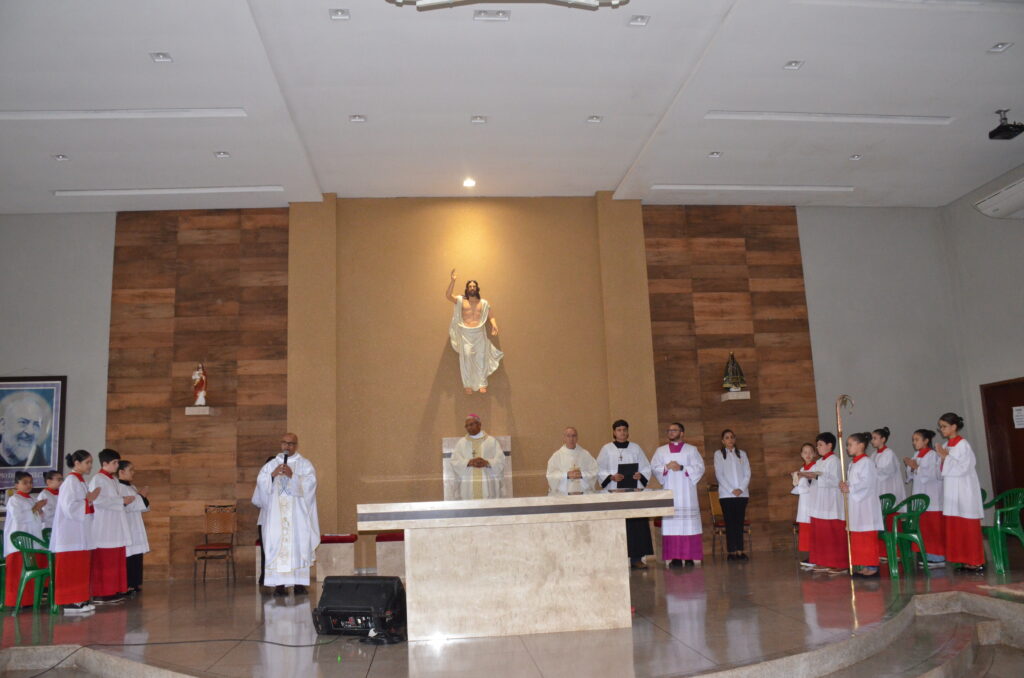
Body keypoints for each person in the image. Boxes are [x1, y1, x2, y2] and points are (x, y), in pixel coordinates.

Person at [256, 432, 320, 595]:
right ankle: (279, 585)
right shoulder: (271, 465)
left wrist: (294, 477)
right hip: (276, 516)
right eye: (284, 443)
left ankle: (299, 584)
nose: (287, 446)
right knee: (276, 544)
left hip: (296, 517)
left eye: (291, 444)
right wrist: (271, 475)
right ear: (281, 444)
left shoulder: (304, 464)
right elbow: (261, 486)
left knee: (297, 546)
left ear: (296, 446)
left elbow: (310, 485)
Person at [597, 419, 653, 569]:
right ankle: (616, 559)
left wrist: (640, 475)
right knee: (617, 524)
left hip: (633, 492)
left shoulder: (636, 448)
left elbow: (646, 467)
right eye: (619, 430)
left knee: (637, 525)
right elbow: (599, 468)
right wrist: (611, 477)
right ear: (614, 432)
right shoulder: (607, 449)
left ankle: (636, 559)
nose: (622, 432)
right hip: (614, 491)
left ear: (628, 432)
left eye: (624, 429)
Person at [51, 449, 100, 614]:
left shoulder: (80, 482)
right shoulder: (71, 482)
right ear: (76, 463)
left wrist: (89, 501)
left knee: (80, 566)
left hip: (80, 532)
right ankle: (69, 602)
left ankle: (80, 599)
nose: (90, 466)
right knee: (70, 568)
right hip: (69, 534)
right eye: (87, 462)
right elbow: (69, 507)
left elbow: (83, 505)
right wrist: (89, 501)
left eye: (91, 462)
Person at [935, 412, 985, 572]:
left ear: (954, 427)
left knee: (968, 527)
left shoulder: (963, 444)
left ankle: (976, 561)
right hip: (951, 492)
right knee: (957, 528)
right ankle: (963, 560)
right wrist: (943, 458)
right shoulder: (947, 446)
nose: (941, 430)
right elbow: (940, 472)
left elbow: (965, 467)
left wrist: (946, 458)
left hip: (965, 491)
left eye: (944, 426)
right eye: (940, 427)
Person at [652, 422, 705, 567]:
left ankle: (689, 557)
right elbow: (654, 468)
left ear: (682, 433)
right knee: (672, 524)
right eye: (669, 430)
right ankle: (674, 557)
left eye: (674, 430)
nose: (670, 432)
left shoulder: (691, 450)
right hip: (670, 491)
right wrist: (666, 467)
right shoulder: (661, 451)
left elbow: (700, 467)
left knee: (688, 524)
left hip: (687, 493)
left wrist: (682, 467)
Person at [445, 269, 503, 394]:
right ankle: (468, 385)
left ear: (477, 288)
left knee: (481, 358)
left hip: (479, 333)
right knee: (466, 357)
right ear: (467, 288)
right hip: (465, 334)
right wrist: (452, 281)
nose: (472, 288)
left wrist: (494, 325)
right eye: (470, 286)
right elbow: (448, 296)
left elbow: (491, 315)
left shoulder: (483, 303)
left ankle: (482, 383)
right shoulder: (461, 301)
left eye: (474, 286)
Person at [89, 448, 132, 603]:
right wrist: (121, 501)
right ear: (105, 463)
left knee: (115, 558)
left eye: (118, 462)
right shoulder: (98, 479)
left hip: (114, 524)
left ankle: (113, 589)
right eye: (114, 463)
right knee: (105, 559)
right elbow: (98, 501)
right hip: (104, 525)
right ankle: (102, 593)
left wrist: (123, 500)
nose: (117, 466)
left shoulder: (112, 480)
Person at [839, 433, 883, 577]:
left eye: (850, 444)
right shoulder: (853, 464)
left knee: (867, 536)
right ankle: (864, 565)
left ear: (861, 445)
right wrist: (846, 485)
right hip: (856, 506)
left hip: (866, 506)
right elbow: (855, 483)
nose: (847, 448)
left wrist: (850, 488)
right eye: (847, 445)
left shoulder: (867, 463)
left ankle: (872, 567)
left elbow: (868, 484)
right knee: (858, 536)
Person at [804, 433, 848, 574]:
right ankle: (824, 561)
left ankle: (839, 563)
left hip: (831, 502)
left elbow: (835, 481)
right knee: (822, 535)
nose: (818, 447)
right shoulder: (820, 462)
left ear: (830, 445)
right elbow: (814, 476)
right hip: (820, 502)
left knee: (833, 533)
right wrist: (809, 476)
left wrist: (817, 476)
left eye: (820, 445)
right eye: (817, 445)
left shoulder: (834, 460)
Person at [3, 471, 46, 607]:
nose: (28, 485)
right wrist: (35, 508)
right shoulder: (14, 499)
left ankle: (30, 600)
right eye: (25, 483)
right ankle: (15, 601)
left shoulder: (31, 499)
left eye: (30, 482)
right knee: (18, 572)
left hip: (32, 541)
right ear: (16, 485)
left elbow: (38, 518)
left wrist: (39, 511)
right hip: (19, 543)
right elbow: (19, 517)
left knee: (31, 572)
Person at [903, 428, 945, 566]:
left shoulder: (933, 455)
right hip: (920, 496)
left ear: (926, 441)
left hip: (932, 497)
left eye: (917, 440)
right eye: (913, 440)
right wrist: (911, 467)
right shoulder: (917, 454)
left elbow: (933, 475)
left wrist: (916, 467)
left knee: (933, 528)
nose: (914, 443)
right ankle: (927, 555)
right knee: (924, 528)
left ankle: (938, 557)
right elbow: (911, 476)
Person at [713, 429, 751, 561]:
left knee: (739, 523)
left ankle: (740, 550)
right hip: (726, 495)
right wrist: (731, 489)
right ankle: (731, 551)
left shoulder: (742, 454)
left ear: (735, 439)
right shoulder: (719, 454)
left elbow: (747, 473)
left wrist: (740, 488)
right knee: (730, 524)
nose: (730, 440)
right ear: (723, 441)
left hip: (742, 494)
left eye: (731, 437)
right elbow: (719, 474)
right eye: (727, 438)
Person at [449, 414, 506, 499]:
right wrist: (469, 462)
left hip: (488, 484)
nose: (469, 427)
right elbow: (454, 462)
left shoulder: (491, 441)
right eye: (467, 426)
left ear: (479, 424)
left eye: (471, 424)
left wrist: (487, 463)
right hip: (468, 485)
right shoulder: (461, 443)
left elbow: (501, 460)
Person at [117, 460, 150, 594]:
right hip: (126, 525)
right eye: (131, 470)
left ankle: (135, 583)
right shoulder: (118, 487)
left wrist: (141, 497)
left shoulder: (132, 487)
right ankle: (127, 584)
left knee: (136, 554)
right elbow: (129, 505)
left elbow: (142, 506)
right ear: (121, 472)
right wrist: (141, 496)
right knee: (128, 555)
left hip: (135, 524)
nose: (133, 473)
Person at [0, 391, 52, 467]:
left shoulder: (41, 460)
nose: (30, 431)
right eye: (23, 422)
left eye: (36, 424)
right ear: (3, 424)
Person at [546, 427, 599, 495]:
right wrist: (566, 475)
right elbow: (550, 475)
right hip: (563, 494)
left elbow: (594, 471)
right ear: (564, 438)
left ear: (577, 438)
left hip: (583, 493)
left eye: (574, 436)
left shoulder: (585, 454)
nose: (571, 439)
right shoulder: (557, 456)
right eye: (568, 436)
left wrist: (582, 474)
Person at [792, 442, 818, 568]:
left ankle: (816, 557)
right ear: (801, 455)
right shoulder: (802, 469)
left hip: (813, 503)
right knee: (807, 530)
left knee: (814, 530)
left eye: (810, 452)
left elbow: (812, 484)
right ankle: (811, 556)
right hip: (804, 503)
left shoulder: (816, 468)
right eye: (805, 452)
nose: (807, 455)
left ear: (814, 454)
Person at [252, 455, 276, 587]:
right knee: (266, 551)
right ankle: (265, 577)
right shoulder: (263, 481)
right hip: (265, 521)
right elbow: (256, 500)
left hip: (280, 524)